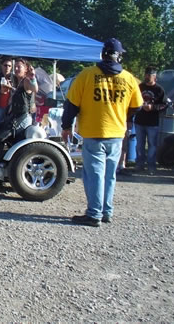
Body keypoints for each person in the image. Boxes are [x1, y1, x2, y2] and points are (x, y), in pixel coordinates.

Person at [61, 38, 143, 227]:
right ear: (119, 56)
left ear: (103, 53)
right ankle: (106, 211)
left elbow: (71, 104)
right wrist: (123, 115)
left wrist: (66, 126)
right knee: (109, 175)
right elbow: (137, 106)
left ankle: (94, 213)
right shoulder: (129, 78)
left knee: (94, 174)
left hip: (93, 131)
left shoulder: (87, 75)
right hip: (116, 132)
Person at [133, 66, 166, 175]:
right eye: (146, 75)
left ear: (154, 76)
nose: (147, 77)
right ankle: (139, 164)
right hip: (139, 120)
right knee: (139, 145)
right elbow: (133, 100)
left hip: (153, 122)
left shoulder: (159, 90)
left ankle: (151, 166)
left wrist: (153, 107)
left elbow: (165, 105)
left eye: (150, 75)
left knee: (152, 145)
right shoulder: (139, 87)